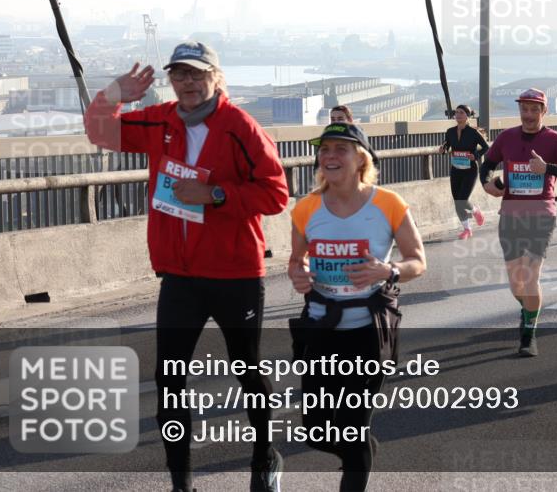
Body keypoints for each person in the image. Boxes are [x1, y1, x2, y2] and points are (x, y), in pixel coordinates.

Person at [83, 42, 290, 492]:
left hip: (235, 274)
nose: (189, 83)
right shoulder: (161, 119)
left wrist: (217, 196)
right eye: (180, 76)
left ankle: (264, 456)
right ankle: (182, 484)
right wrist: (115, 92)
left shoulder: (242, 127)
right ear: (171, 81)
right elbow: (101, 132)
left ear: (215, 77)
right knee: (170, 381)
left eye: (197, 74)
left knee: (247, 370)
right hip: (179, 277)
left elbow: (275, 194)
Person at [287, 122, 426, 491]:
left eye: (340, 149)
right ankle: (361, 452)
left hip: (367, 333)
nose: (330, 156)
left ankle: (358, 455)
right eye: (325, 149)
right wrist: (298, 274)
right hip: (320, 329)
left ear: (360, 158)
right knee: (316, 431)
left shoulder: (389, 204)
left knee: (352, 427)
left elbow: (417, 261)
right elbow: (295, 261)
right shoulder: (305, 208)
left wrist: (389, 269)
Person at [479, 88, 557, 357]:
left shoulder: (554, 139)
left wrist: (547, 168)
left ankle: (528, 335)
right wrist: (488, 184)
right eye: (524, 109)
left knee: (530, 275)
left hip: (541, 215)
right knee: (516, 283)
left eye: (534, 109)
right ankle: (528, 309)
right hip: (511, 214)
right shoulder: (506, 137)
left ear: (543, 111)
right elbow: (486, 164)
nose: (528, 114)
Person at [439, 104, 489, 240]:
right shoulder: (450, 131)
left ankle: (476, 211)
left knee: (463, 200)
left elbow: (486, 147)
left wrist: (476, 155)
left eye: (461, 112)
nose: (458, 115)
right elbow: (446, 145)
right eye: (456, 112)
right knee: (457, 201)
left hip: (470, 170)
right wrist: (442, 149)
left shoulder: (473, 133)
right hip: (456, 170)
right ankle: (467, 229)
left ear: (467, 116)